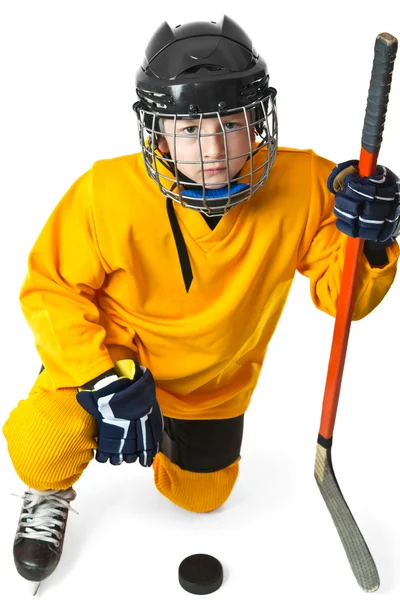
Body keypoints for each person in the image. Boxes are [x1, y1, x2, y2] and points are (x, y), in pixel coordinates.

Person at [3, 15, 399, 593]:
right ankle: (50, 487)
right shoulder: (105, 192)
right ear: (158, 133)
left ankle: (165, 435)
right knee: (42, 446)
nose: (212, 150)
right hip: (116, 366)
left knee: (201, 498)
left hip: (211, 387)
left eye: (230, 125)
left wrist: (375, 238)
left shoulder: (309, 184)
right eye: (189, 129)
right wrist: (98, 377)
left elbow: (344, 301)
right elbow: (50, 288)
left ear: (257, 122)